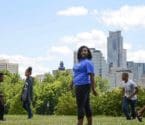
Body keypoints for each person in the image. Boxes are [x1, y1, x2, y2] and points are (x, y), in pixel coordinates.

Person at [69, 46, 97, 125]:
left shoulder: (88, 62)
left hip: (84, 85)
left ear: (88, 53)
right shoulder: (77, 64)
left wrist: (93, 89)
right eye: (82, 51)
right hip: (77, 86)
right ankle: (89, 123)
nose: (84, 52)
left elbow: (91, 76)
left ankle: (79, 123)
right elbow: (75, 75)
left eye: (85, 51)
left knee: (80, 106)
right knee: (86, 105)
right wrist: (71, 84)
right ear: (80, 53)